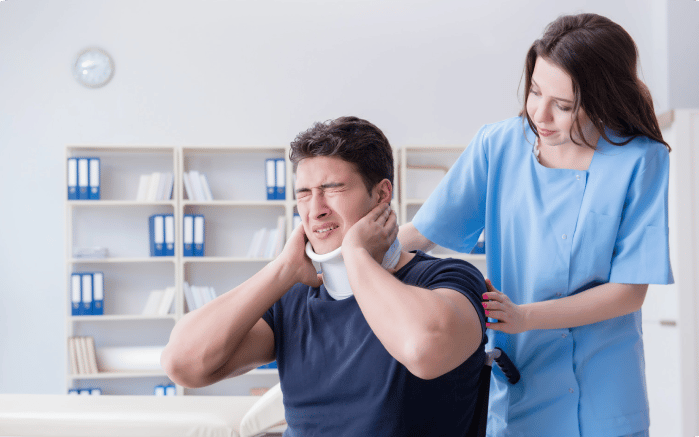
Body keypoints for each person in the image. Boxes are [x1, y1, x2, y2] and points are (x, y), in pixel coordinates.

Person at [398, 13, 672, 437]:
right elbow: (423, 233)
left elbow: (629, 291)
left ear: (602, 99)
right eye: (535, 91)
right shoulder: (498, 145)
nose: (539, 115)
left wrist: (524, 316)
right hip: (521, 382)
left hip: (604, 393)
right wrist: (348, 259)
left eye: (562, 106)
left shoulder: (641, 160)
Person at [161, 116, 489, 436]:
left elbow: (424, 350)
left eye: (332, 189)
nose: (315, 209)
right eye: (304, 193)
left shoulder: (448, 278)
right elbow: (182, 363)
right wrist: (282, 269)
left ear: (381, 194)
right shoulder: (293, 295)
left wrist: (357, 256)